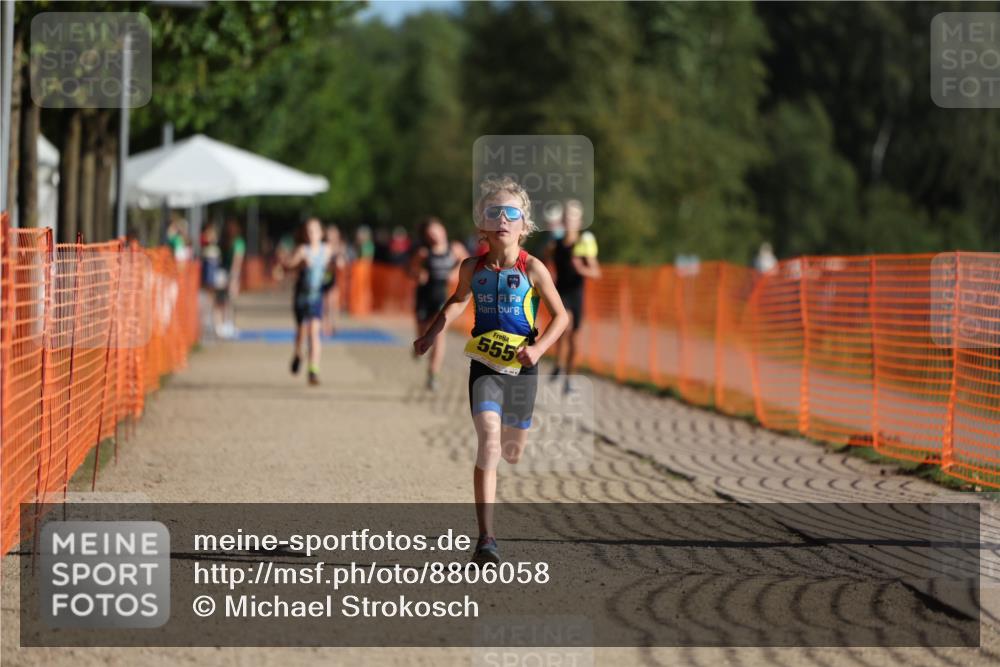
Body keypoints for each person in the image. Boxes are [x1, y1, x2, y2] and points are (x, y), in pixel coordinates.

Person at [413, 177, 569, 564]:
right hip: (484, 364)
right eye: (493, 212)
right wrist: (431, 334)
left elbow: (562, 316)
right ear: (481, 224)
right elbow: (456, 301)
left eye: (511, 213)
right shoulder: (471, 267)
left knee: (513, 451)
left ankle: (490, 523)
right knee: (490, 443)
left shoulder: (533, 268)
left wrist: (538, 348)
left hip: (522, 367)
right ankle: (486, 539)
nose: (502, 218)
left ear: (524, 225)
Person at [547, 200, 601, 393]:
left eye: (573, 217)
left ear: (579, 221)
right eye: (566, 217)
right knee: (565, 328)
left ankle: (568, 376)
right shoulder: (556, 244)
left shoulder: (583, 244)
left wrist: (582, 268)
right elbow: (547, 261)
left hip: (576, 293)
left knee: (574, 340)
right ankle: (558, 365)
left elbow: (596, 272)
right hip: (560, 292)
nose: (569, 221)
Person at [409, 217, 467, 390]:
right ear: (426, 237)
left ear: (443, 230)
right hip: (424, 297)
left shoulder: (454, 249)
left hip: (442, 298)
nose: (435, 236)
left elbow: (467, 262)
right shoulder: (423, 253)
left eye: (437, 231)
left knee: (438, 335)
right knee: (423, 333)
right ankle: (419, 346)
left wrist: (455, 272)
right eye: (430, 234)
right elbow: (411, 269)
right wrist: (419, 273)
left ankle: (433, 375)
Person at [283, 218, 332, 386]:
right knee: (302, 331)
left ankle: (313, 370)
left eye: (315, 231)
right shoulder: (303, 250)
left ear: (321, 233)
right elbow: (287, 266)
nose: (312, 234)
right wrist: (298, 265)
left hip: (316, 297)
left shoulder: (327, 250)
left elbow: (332, 269)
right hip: (301, 297)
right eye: (309, 231)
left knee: (314, 332)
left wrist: (336, 267)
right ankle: (298, 354)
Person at [216, 218, 246, 338]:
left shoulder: (226, 241)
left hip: (223, 273)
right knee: (228, 301)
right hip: (229, 274)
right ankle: (227, 325)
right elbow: (237, 261)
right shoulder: (238, 242)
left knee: (223, 300)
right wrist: (234, 277)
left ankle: (224, 325)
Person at [322, 224, 347, 336]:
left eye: (334, 233)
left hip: (335, 278)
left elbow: (342, 262)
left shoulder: (340, 246)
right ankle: (325, 325)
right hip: (324, 277)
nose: (332, 236)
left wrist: (339, 261)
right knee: (325, 303)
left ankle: (334, 325)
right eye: (330, 234)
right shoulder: (324, 246)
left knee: (334, 303)